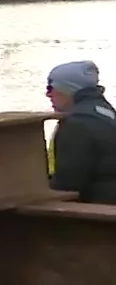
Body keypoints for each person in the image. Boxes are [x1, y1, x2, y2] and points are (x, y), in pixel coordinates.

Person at [45, 60, 116, 202]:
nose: (48, 94)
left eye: (50, 88)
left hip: (97, 212)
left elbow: (68, 184)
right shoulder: (105, 111)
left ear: (68, 89)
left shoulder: (77, 124)